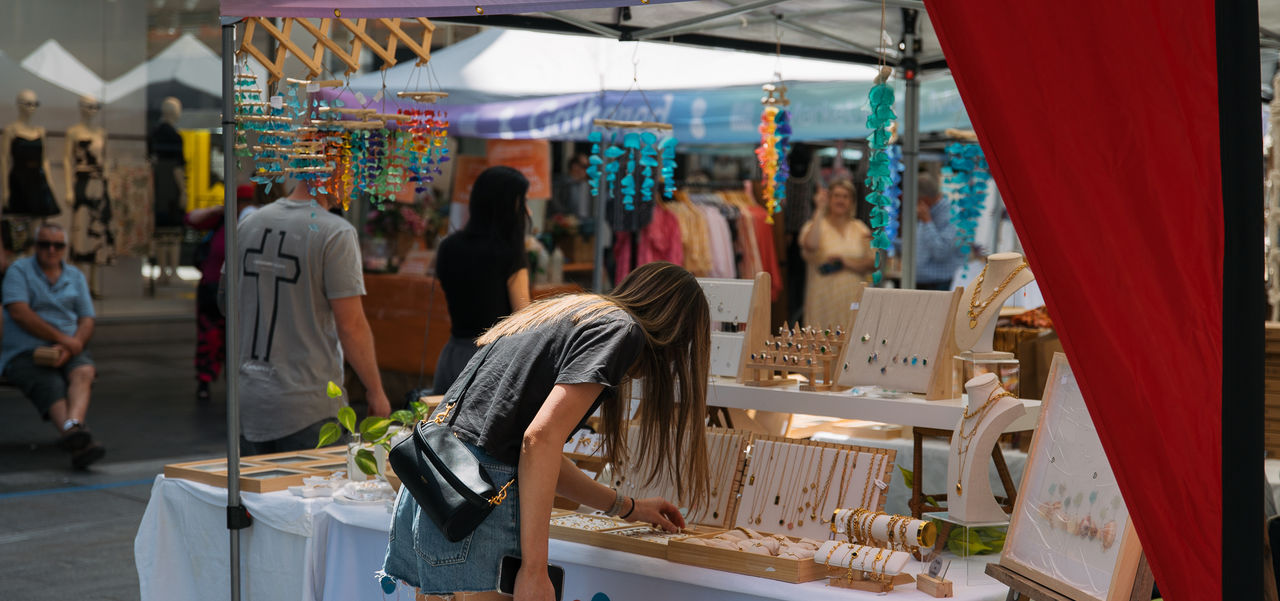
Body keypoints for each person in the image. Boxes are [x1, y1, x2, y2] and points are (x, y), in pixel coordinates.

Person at [383, 261, 710, 601]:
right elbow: (539, 441)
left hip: (437, 493)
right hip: (478, 506)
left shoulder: (564, 312)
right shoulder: (621, 329)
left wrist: (627, 507)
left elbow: (533, 450)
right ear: (675, 335)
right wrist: (534, 569)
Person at [227, 179, 390, 455]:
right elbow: (351, 326)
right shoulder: (335, 232)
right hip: (309, 405)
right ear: (334, 169)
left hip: (249, 398)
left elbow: (226, 300)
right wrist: (375, 390)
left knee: (258, 497)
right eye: (352, 170)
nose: (355, 184)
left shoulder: (249, 224)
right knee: (316, 496)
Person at [0, 223, 103, 468]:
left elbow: (87, 319)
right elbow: (19, 313)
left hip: (69, 348)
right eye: (45, 244)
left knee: (84, 371)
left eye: (57, 245)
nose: (51, 250)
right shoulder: (19, 271)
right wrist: (64, 339)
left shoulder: (75, 275)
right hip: (26, 350)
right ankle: (78, 439)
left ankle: (73, 427)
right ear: (36, 246)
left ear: (65, 248)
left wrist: (72, 345)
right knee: (49, 382)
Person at [432, 166, 531, 394]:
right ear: (507, 206)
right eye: (522, 201)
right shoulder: (509, 252)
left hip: (453, 356)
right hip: (492, 363)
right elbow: (524, 319)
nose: (528, 212)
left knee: (442, 428)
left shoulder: (449, 246)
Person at [186, 184, 258, 403]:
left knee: (237, 341)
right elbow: (191, 219)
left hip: (241, 290)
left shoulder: (254, 222)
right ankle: (205, 381)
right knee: (210, 337)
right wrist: (220, 210)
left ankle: (234, 384)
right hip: (212, 287)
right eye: (239, 202)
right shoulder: (222, 220)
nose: (241, 207)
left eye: (245, 203)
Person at [799, 178, 874, 330]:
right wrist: (819, 209)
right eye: (836, 196)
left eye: (846, 197)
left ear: (852, 202)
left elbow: (873, 262)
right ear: (829, 199)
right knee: (821, 345)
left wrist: (846, 262)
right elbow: (811, 245)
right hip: (822, 301)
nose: (841, 200)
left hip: (853, 299)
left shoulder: (860, 229)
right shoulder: (814, 226)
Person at [913, 172, 963, 290]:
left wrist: (927, 221)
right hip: (921, 283)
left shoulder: (953, 215)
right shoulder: (927, 211)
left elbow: (941, 252)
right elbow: (919, 246)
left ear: (923, 198)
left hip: (941, 285)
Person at [548, 152, 591, 219]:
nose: (587, 170)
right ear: (575, 166)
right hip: (566, 223)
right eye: (585, 166)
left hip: (584, 222)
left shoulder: (586, 186)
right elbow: (555, 204)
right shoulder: (560, 183)